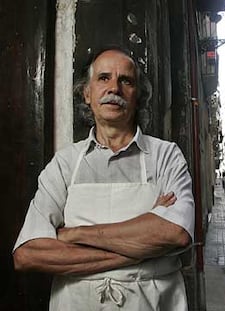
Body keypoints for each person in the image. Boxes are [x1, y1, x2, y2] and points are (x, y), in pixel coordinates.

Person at [13, 46, 195, 310]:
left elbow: (175, 234)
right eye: (103, 78)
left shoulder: (166, 156)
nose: (114, 89)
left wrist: (73, 234)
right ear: (87, 94)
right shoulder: (65, 164)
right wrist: (143, 249)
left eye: (126, 81)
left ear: (138, 95)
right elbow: (27, 254)